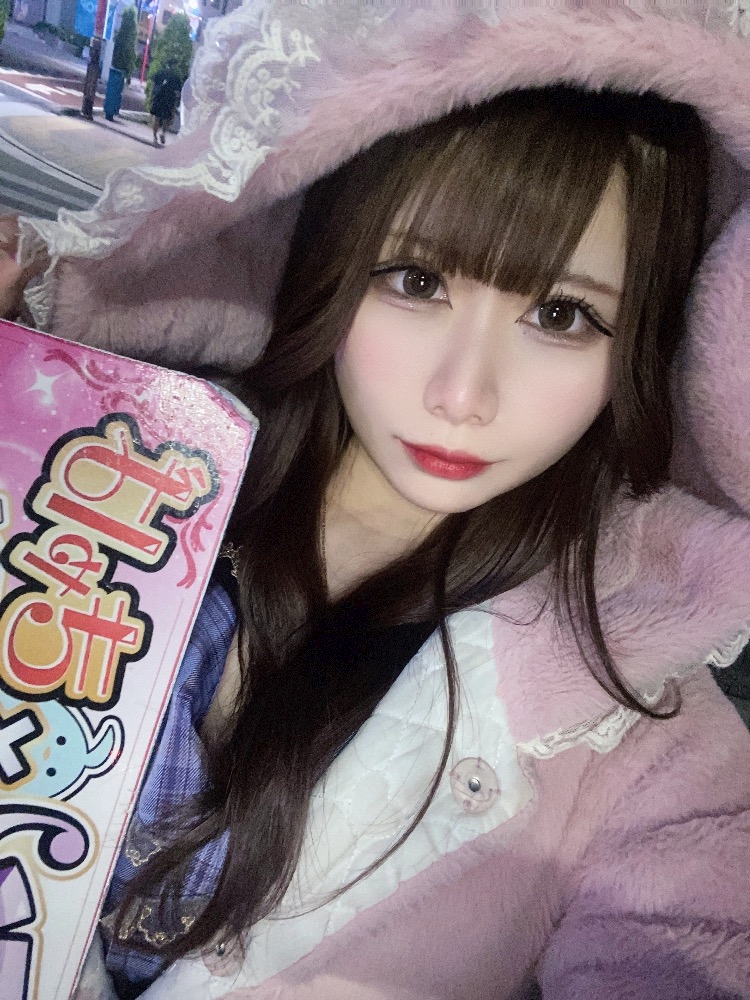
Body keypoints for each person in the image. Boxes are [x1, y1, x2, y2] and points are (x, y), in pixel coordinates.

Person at [2, 2, 750, 998]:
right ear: (329, 261)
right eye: (417, 280)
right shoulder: (99, 463)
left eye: (562, 314)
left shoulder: (639, 730)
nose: (463, 394)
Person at [149, 59, 182, 147]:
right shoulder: (176, 77)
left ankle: (155, 137)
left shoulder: (159, 73)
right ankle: (163, 133)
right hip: (169, 99)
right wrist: (176, 104)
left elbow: (153, 86)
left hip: (158, 97)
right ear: (174, 65)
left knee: (156, 118)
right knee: (167, 119)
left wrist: (152, 97)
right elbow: (178, 92)